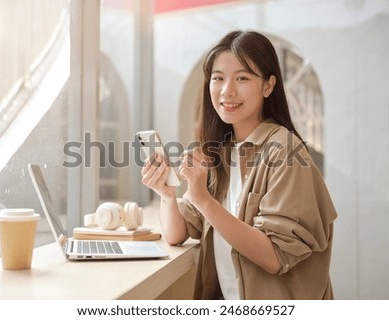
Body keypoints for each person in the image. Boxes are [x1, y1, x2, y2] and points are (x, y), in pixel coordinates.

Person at [140, 30, 337, 300]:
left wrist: (203, 199)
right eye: (218, 78)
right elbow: (177, 234)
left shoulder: (287, 152)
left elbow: (275, 257)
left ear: (268, 86)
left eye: (242, 78)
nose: (227, 90)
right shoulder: (221, 151)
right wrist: (167, 194)